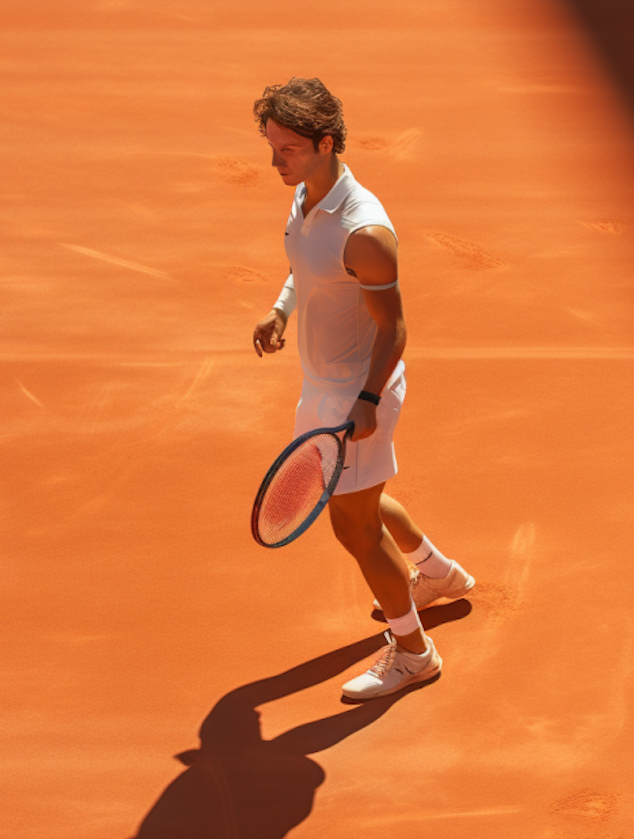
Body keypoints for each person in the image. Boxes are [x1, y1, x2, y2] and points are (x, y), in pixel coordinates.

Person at [248, 78, 475, 701]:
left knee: (352, 527)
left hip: (355, 397)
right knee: (358, 503)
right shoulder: (306, 199)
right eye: (271, 147)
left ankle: (413, 652)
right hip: (321, 386)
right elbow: (306, 268)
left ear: (325, 143)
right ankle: (439, 573)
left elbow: (394, 328)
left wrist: (368, 402)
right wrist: (281, 308)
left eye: (287, 150)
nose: (276, 162)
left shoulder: (365, 232)